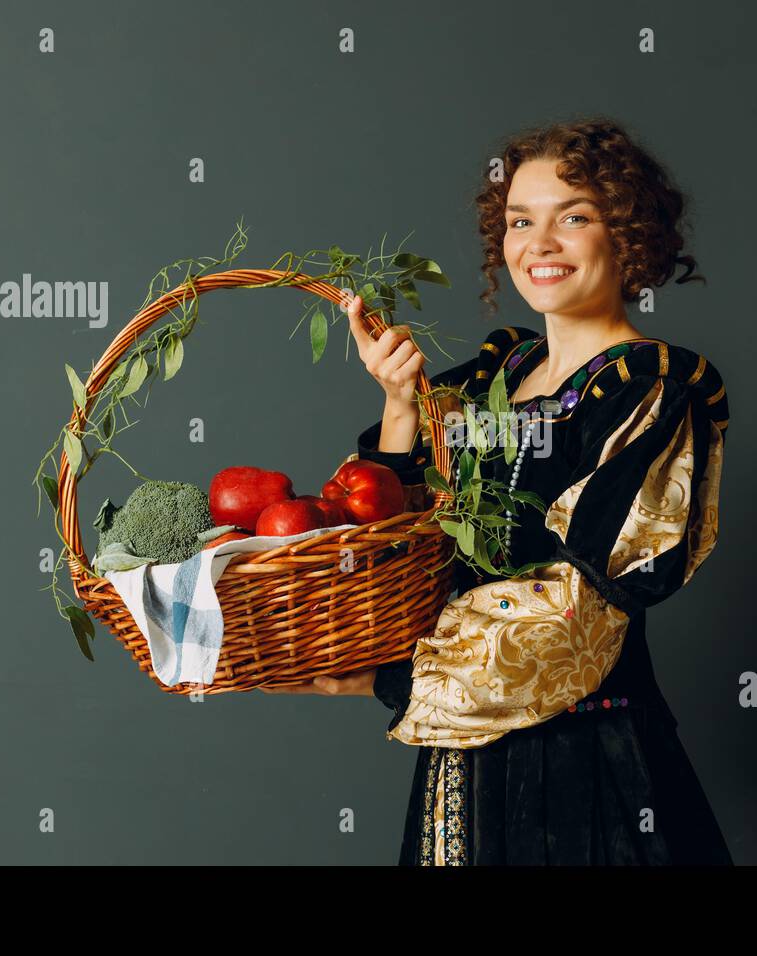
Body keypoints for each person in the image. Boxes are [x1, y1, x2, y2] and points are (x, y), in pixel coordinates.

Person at [268, 118, 733, 866]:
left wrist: (392, 675)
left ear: (628, 236)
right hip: (464, 757)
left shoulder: (652, 390)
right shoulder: (492, 376)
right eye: (521, 221)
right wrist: (397, 401)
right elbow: (400, 532)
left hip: (587, 758)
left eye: (572, 218)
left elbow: (582, 607)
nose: (538, 244)